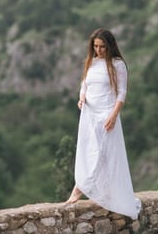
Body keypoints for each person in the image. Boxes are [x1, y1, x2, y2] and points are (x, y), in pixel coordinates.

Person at [65, 28, 141, 220]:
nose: (98, 50)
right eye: (95, 46)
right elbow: (84, 84)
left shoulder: (118, 65)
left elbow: (121, 93)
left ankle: (80, 187)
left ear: (110, 46)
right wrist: (81, 98)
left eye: (102, 47)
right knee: (89, 149)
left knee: (103, 151)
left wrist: (114, 116)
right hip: (89, 113)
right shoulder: (91, 62)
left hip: (106, 113)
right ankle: (99, 191)